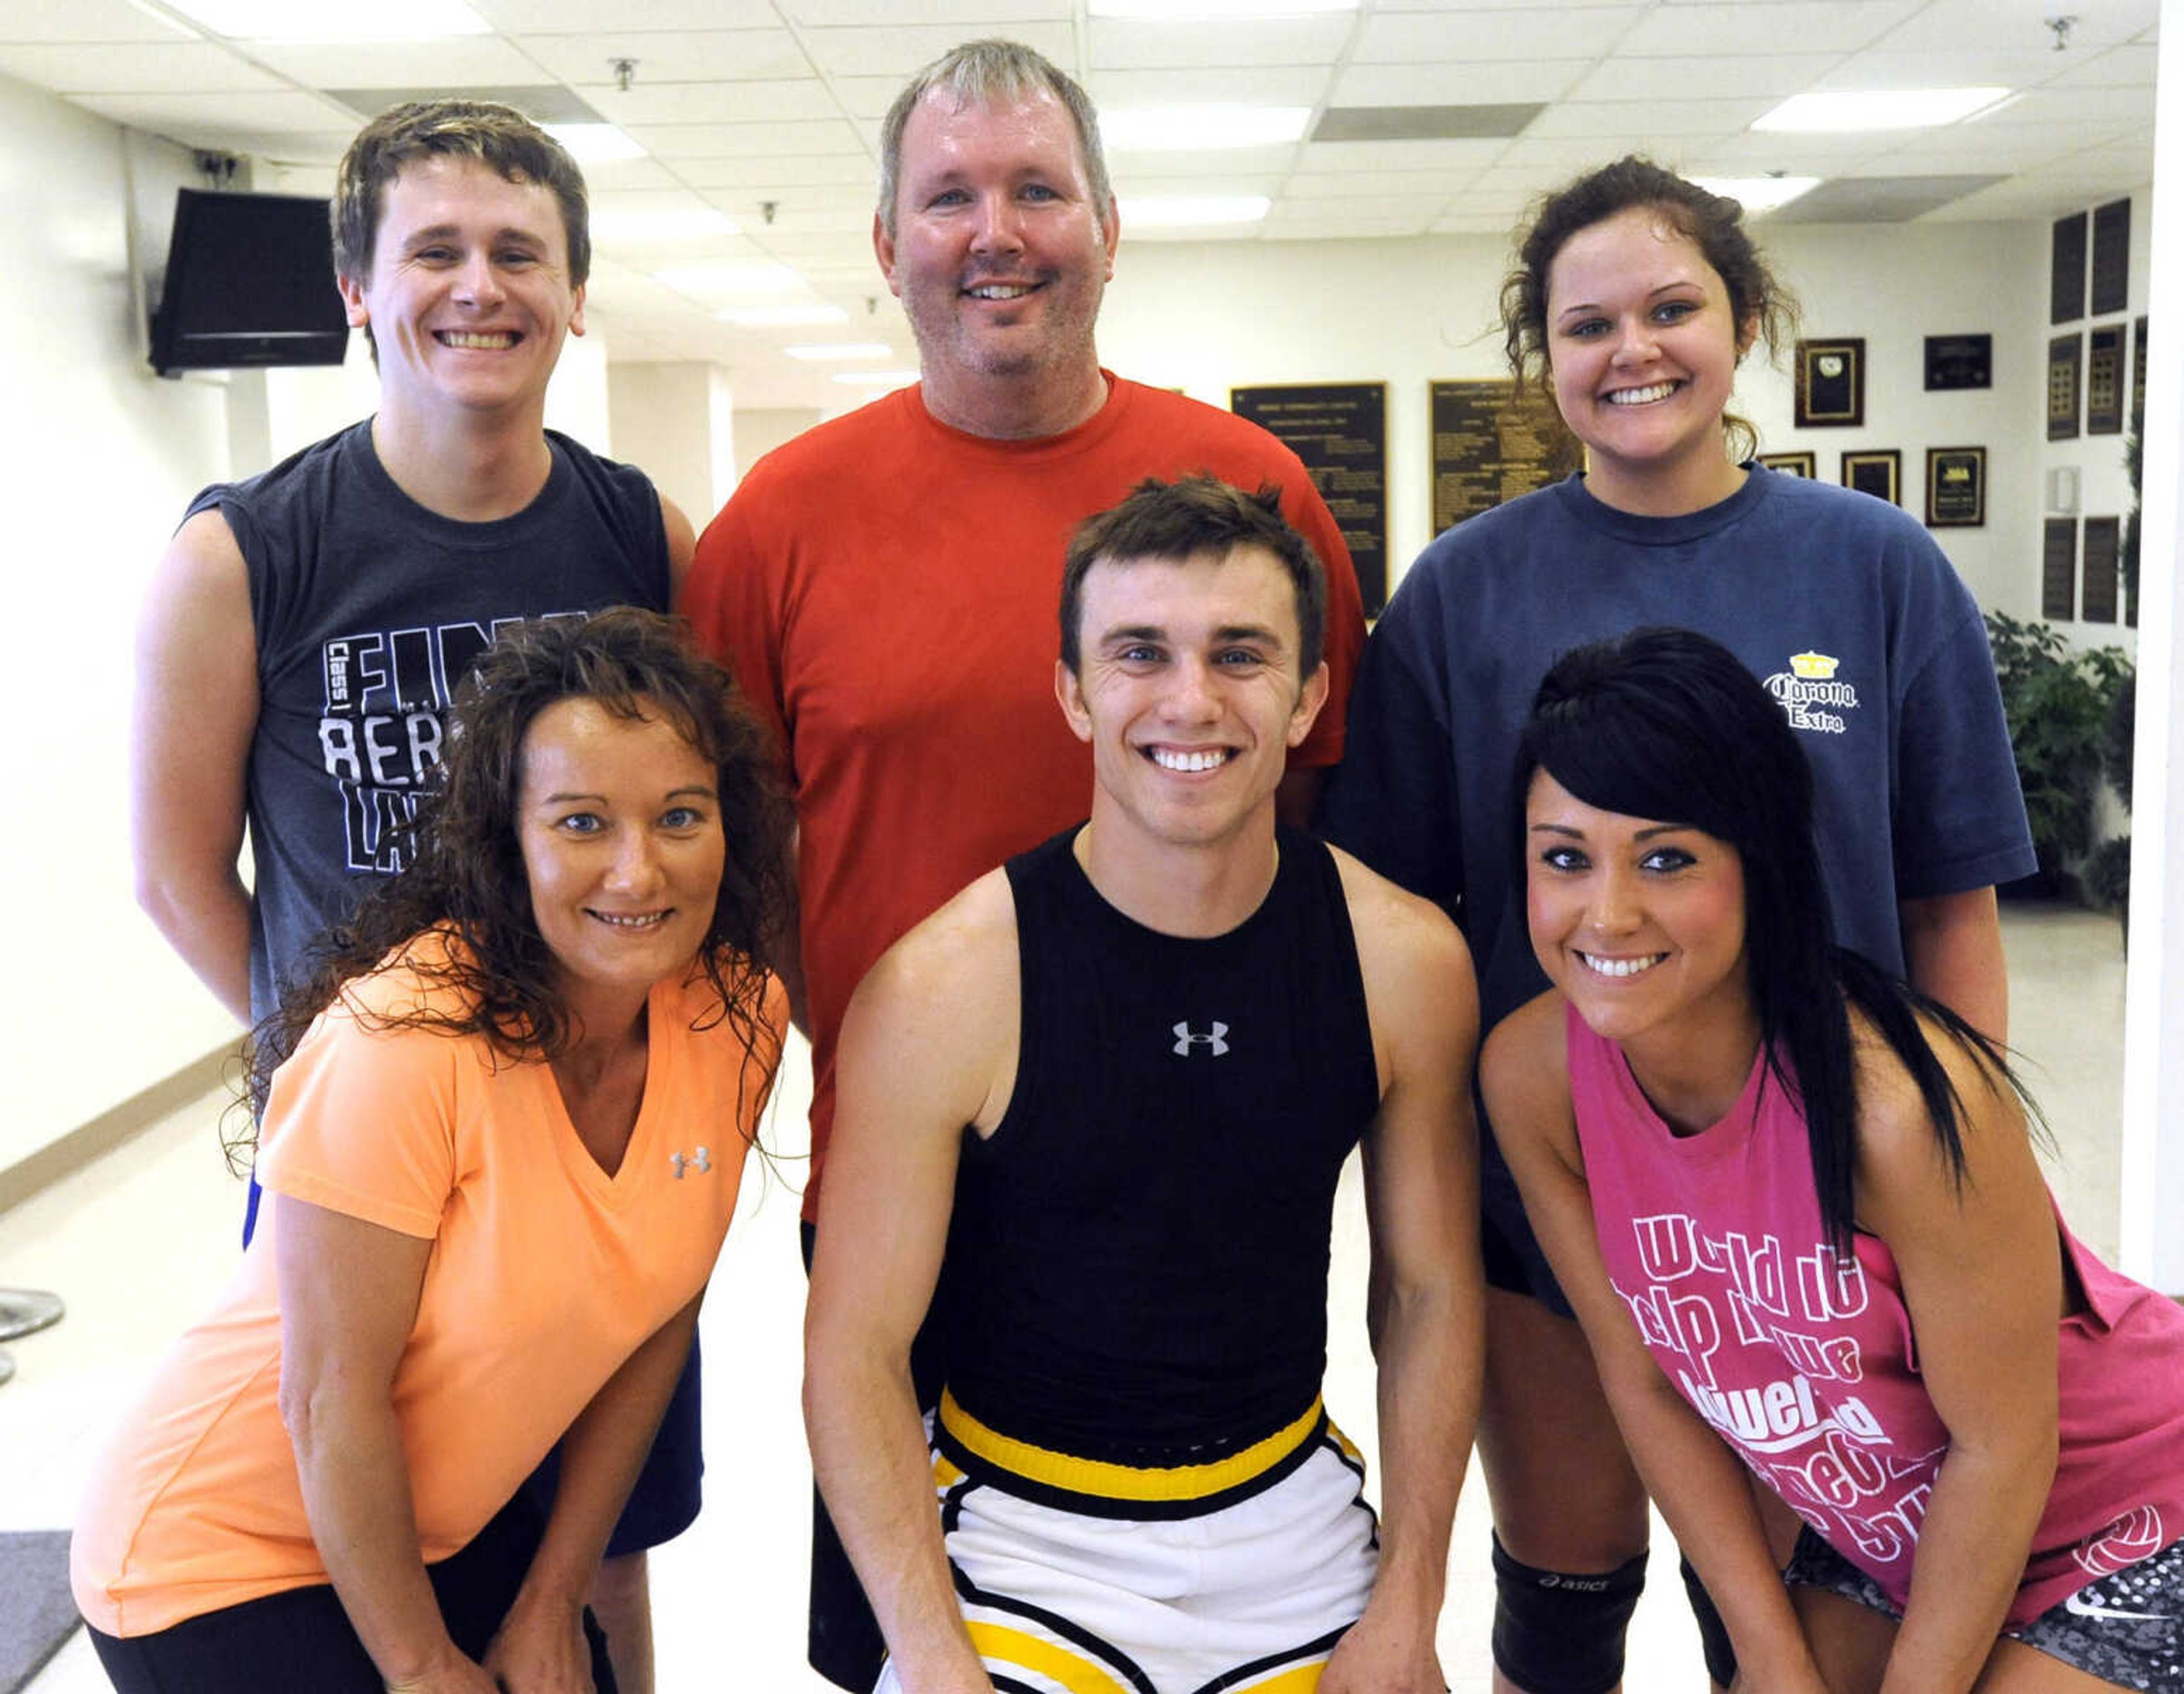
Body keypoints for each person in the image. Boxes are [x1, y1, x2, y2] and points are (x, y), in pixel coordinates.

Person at [679, 38, 1368, 1690]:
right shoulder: (781, 519)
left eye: (1039, 190)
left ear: (1110, 227)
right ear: (888, 242)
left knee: (1219, 1606)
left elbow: (1322, 810)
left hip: (1202, 1182)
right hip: (904, 1190)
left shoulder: (1248, 487)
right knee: (918, 1646)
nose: (997, 231)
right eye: (950, 196)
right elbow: (718, 847)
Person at [1318, 155, 2036, 1694]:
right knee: (1563, 1603)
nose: (1631, 350)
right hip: (1556, 1194)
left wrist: (1965, 1184)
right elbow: (1394, 919)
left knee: (1788, 1624)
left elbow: (1946, 898)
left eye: (1671, 308)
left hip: (1823, 1219)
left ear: (1746, 322)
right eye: (1587, 324)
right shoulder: (1461, 594)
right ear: (1543, 356)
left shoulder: (1880, 568)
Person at [128, 98, 697, 1684]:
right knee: (361, 1530)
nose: (480, 285)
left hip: (593, 1149)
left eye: (520, 252)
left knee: (595, 1554)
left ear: (577, 294)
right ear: (359, 292)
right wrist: (350, 1058)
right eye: (433, 250)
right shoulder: (252, 553)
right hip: (374, 1175)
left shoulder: (636, 528)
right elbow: (179, 878)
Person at [804, 475, 1481, 1694]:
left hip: (1289, 1517)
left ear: (1312, 691)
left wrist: (1412, 1605)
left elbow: (1430, 1289)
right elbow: (854, 1347)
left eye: (1240, 655)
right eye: (1138, 654)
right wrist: (931, 1656)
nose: (1191, 700)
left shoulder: (1406, 961)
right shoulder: (944, 986)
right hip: (1021, 1532)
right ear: (1072, 691)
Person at [75, 609, 791, 1694]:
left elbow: (661, 1316)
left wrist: (555, 1594)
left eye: (679, 816)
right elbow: (328, 1398)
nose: (639, 873)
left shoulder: (736, 1014)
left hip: (442, 1534)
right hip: (216, 1554)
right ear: (508, 838)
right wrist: (418, 1670)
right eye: (583, 822)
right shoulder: (403, 1041)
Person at [1481, 626, 2184, 1694]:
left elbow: (2003, 1450)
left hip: (2132, 1505)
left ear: (1757, 864)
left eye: (1668, 859)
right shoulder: (1533, 1078)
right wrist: (1765, 1655)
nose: (1608, 914)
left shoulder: (1898, 1109)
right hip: (1892, 1537)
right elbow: (1649, 1383)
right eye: (1564, 858)